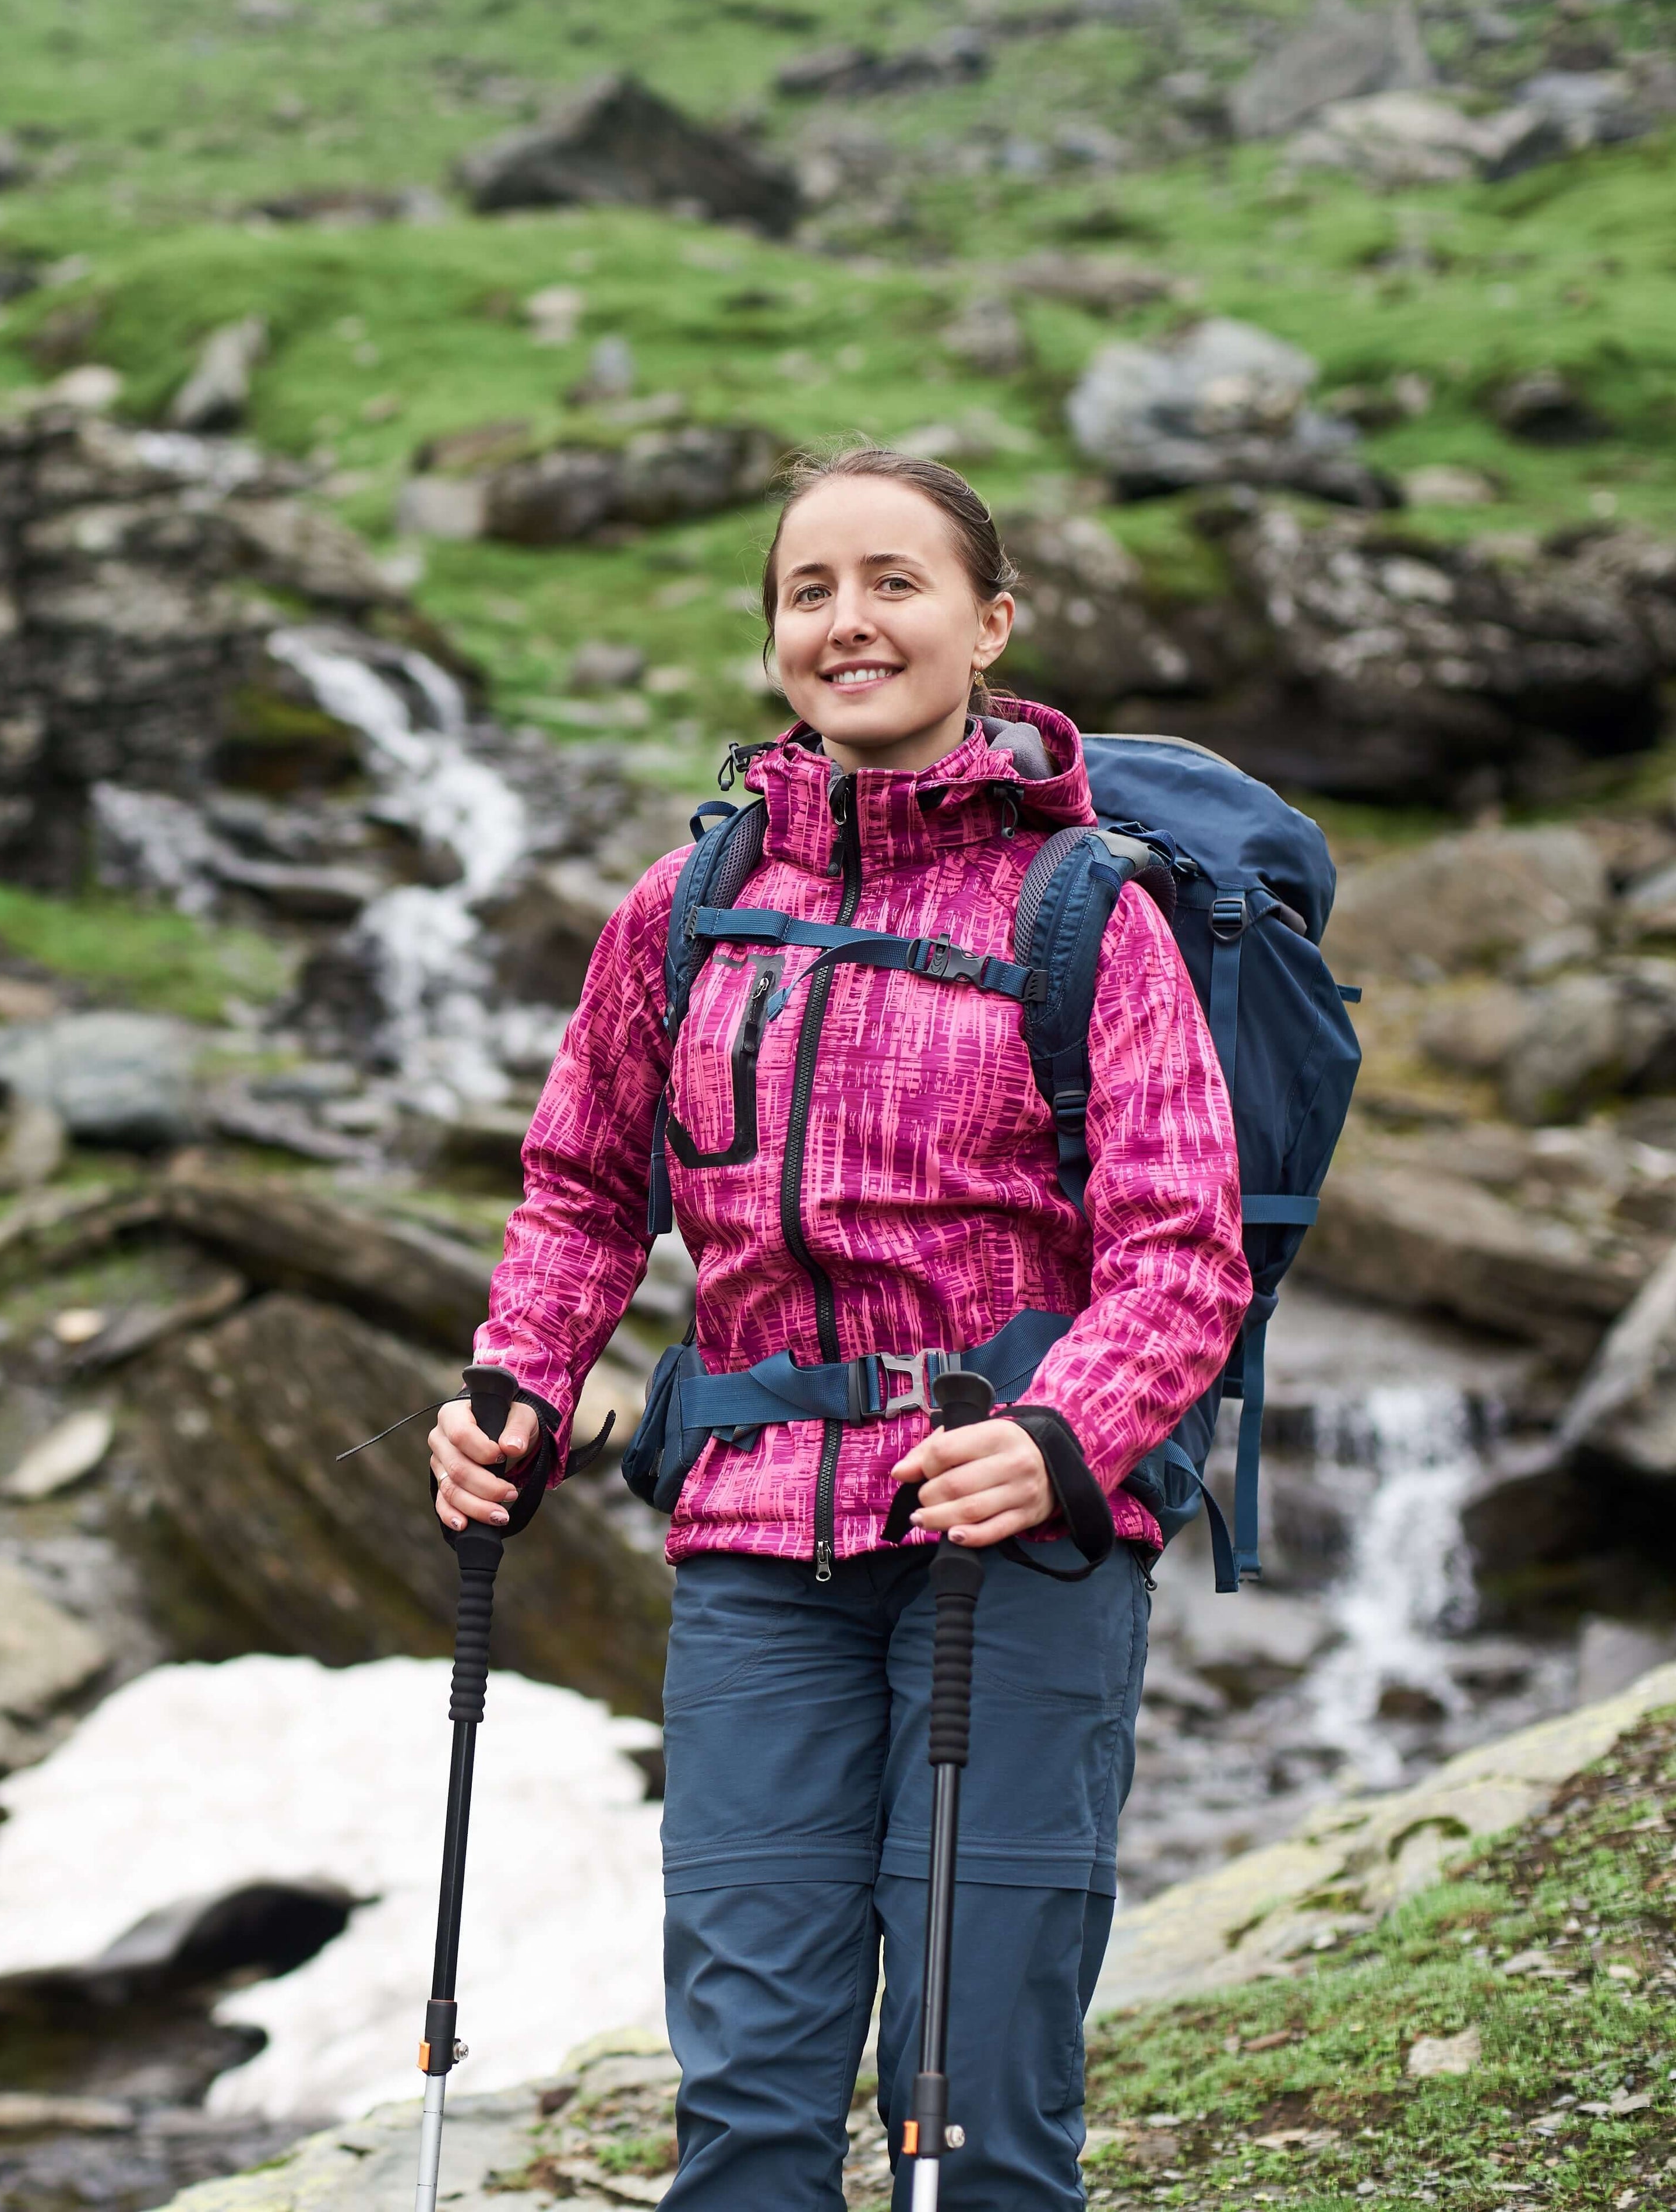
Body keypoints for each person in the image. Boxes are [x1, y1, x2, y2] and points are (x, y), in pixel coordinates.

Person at [429, 448, 1250, 2210]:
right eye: (811, 591)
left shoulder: (1088, 913)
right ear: (775, 639)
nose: (849, 622)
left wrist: (1060, 1438)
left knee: (978, 2104)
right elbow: (582, 1189)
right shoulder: (684, 910)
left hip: (1013, 1547)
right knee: (746, 2100)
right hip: (753, 1547)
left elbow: (1185, 1251)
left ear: (989, 624)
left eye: (896, 582)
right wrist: (520, 1379)